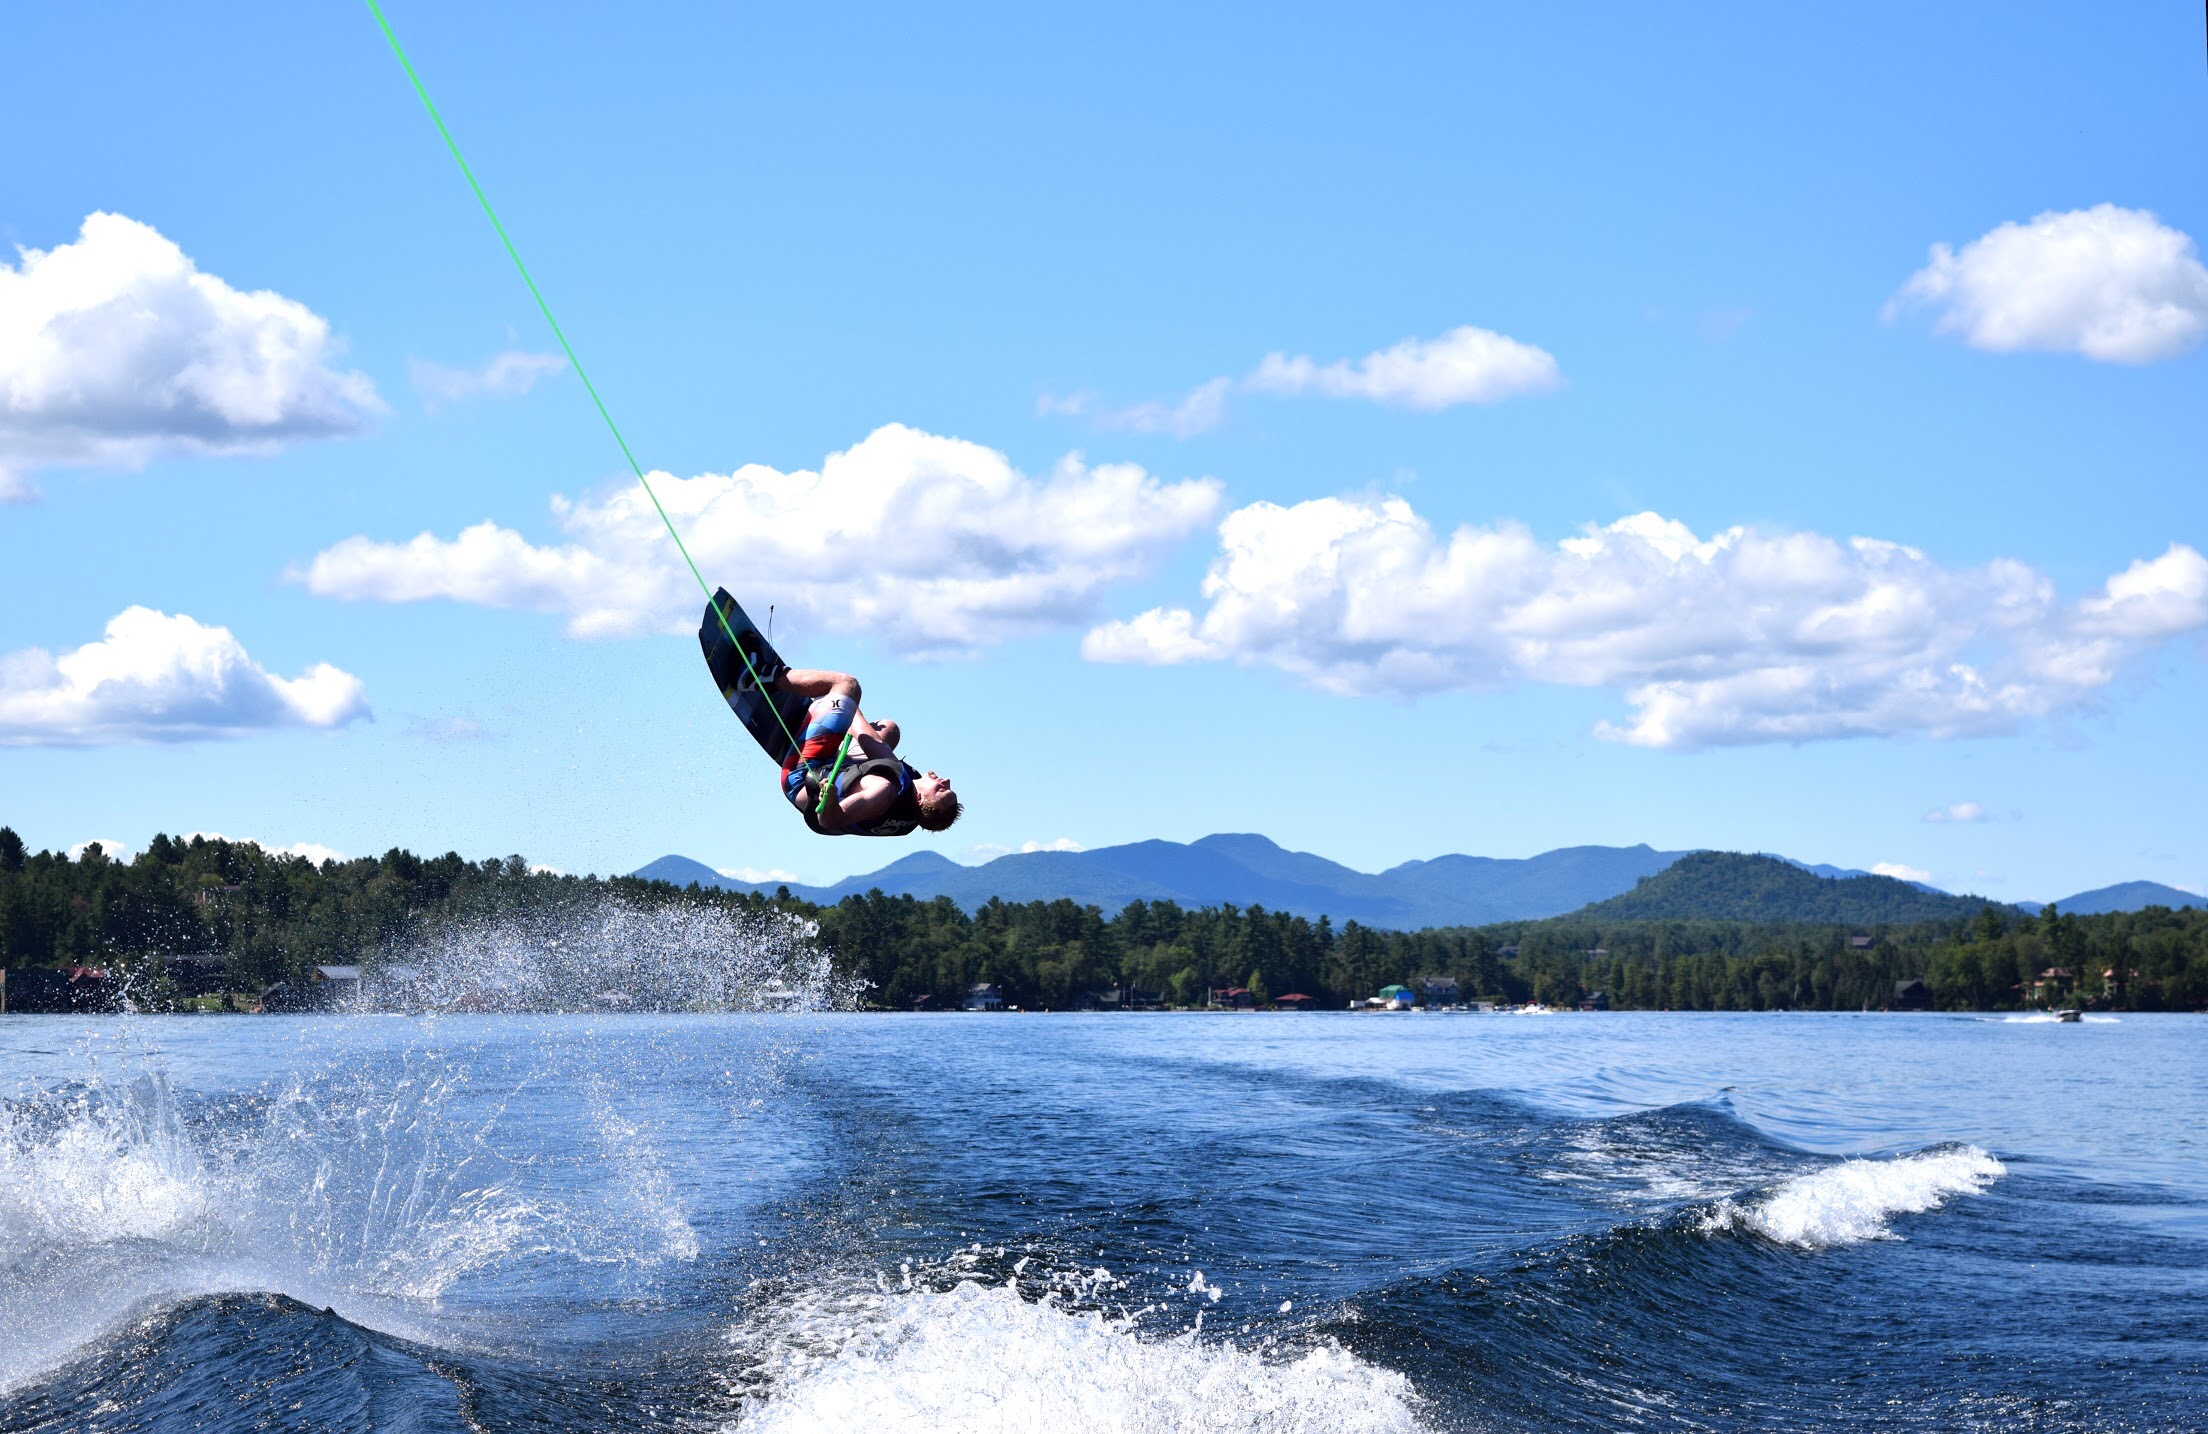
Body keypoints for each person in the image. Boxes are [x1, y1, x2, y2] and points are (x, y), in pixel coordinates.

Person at [775, 668, 960, 836]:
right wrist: (846, 708)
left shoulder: (883, 791)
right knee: (888, 729)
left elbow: (829, 821)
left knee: (847, 684)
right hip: (835, 770)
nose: (946, 781)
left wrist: (843, 698)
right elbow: (871, 740)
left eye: (941, 790)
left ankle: (766, 675)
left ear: (919, 799)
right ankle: (827, 716)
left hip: (801, 779)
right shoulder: (905, 812)